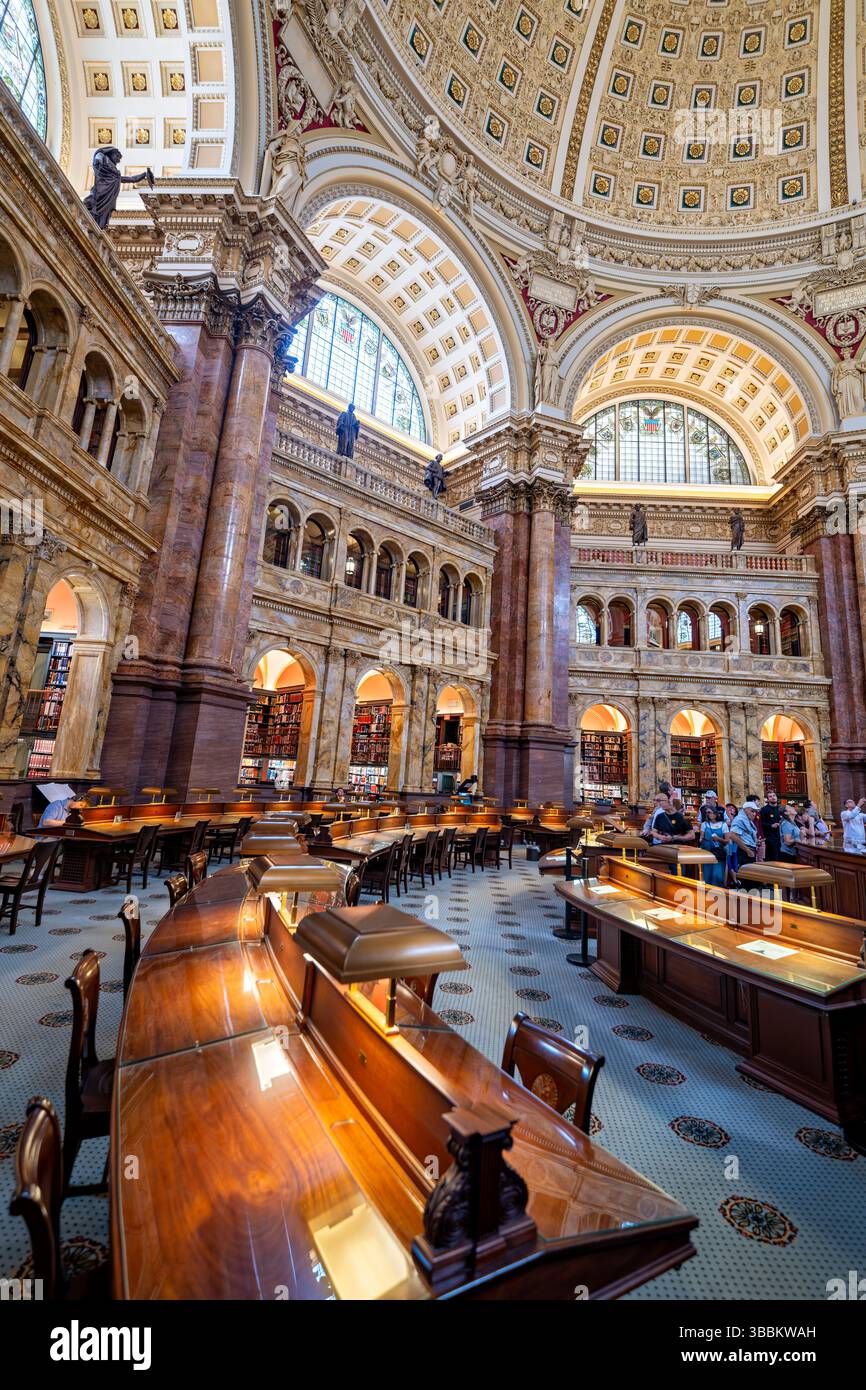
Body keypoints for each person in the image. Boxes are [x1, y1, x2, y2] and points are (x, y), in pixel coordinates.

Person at [727, 801, 759, 884]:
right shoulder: (740, 819)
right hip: (744, 852)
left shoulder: (746, 819)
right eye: (752, 811)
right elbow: (733, 835)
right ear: (745, 810)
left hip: (748, 850)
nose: (754, 814)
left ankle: (748, 895)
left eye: (755, 812)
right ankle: (745, 896)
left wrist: (755, 842)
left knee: (750, 878)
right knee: (747, 879)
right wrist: (748, 850)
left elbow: (744, 836)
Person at [700, 806, 729, 886]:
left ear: (715, 813)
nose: (707, 814)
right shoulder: (704, 824)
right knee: (707, 875)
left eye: (709, 812)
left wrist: (718, 839)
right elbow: (701, 838)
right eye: (706, 813)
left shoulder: (723, 825)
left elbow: (727, 840)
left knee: (718, 875)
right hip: (707, 853)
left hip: (718, 853)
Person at [760, 790, 783, 861]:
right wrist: (771, 825)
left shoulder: (781, 809)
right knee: (774, 858)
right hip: (770, 838)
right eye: (770, 796)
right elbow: (761, 823)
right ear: (767, 799)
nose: (773, 798)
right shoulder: (764, 810)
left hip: (782, 837)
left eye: (774, 796)